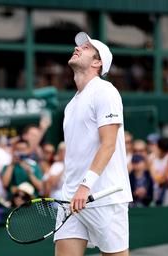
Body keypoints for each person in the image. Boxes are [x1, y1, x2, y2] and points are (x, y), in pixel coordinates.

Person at [54, 32, 133, 256]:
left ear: (98, 62)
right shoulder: (71, 105)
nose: (78, 48)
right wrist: (74, 190)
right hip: (70, 198)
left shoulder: (106, 91)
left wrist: (85, 185)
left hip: (104, 196)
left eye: (87, 48)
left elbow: (108, 145)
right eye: (79, 46)